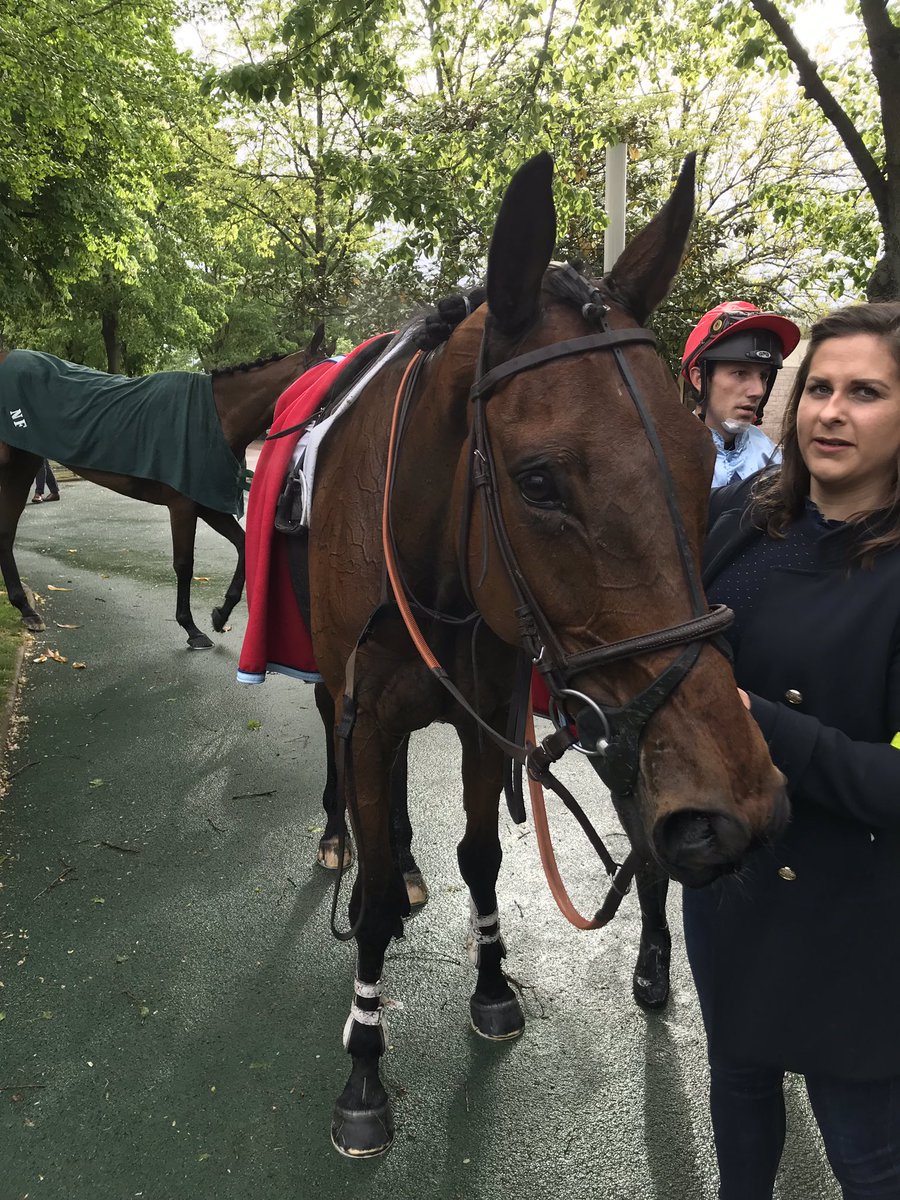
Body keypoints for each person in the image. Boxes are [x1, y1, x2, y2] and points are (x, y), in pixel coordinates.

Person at [683, 301, 900, 1199]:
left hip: (856, 913)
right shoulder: (733, 521)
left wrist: (751, 719)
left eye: (866, 392)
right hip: (731, 880)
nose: (830, 411)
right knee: (737, 1088)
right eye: (818, 387)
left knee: (867, 1152)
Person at [682, 301, 802, 487]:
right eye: (740, 373)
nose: (758, 391)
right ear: (699, 379)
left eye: (763, 376)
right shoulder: (667, 457)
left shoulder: (772, 458)